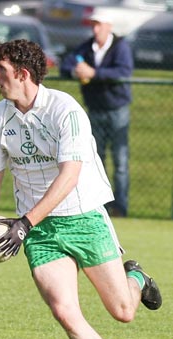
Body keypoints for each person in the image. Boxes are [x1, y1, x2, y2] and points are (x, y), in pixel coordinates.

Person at [0, 39, 162, 339]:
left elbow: (69, 176)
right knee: (64, 310)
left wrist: (24, 222)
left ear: (23, 74)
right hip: (39, 231)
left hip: (82, 216)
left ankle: (135, 277)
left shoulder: (66, 110)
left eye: (2, 71)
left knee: (123, 312)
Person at [60, 10, 133, 217]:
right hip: (94, 110)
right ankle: (99, 205)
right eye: (93, 24)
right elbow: (66, 64)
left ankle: (120, 207)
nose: (95, 28)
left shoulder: (120, 47)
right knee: (95, 160)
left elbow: (123, 72)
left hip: (117, 109)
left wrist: (94, 73)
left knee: (120, 161)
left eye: (99, 24)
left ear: (109, 26)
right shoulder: (86, 47)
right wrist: (77, 71)